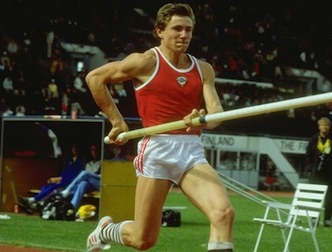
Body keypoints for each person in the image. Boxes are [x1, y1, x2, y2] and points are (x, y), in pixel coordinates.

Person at [84, 3, 234, 252]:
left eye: (188, 30)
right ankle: (105, 231)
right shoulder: (145, 62)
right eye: (177, 29)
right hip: (157, 149)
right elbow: (95, 78)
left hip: (191, 152)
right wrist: (117, 120)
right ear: (160, 31)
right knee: (144, 240)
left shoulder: (203, 69)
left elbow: (217, 113)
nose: (184, 35)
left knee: (223, 214)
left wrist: (204, 117)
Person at [18, 143, 85, 214]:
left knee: (53, 188)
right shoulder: (69, 160)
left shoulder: (82, 160)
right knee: (46, 186)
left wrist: (60, 179)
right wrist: (59, 179)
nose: (74, 149)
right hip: (63, 180)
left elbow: (77, 176)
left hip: (71, 183)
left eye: (76, 148)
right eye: (73, 147)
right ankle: (34, 204)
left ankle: (32, 201)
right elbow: (64, 172)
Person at [304, 117, 332, 227]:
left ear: (329, 127)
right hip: (316, 174)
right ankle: (314, 219)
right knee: (315, 198)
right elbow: (308, 156)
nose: (324, 127)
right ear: (319, 127)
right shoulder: (314, 139)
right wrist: (309, 168)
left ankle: (327, 219)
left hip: (330, 174)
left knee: (329, 198)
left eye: (326, 125)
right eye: (322, 125)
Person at [60, 144, 102, 209]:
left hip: (100, 183)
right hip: (91, 183)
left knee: (85, 173)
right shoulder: (88, 164)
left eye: (96, 150)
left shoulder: (103, 162)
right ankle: (72, 208)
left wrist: (91, 175)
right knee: (82, 184)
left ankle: (68, 189)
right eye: (92, 150)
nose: (94, 152)